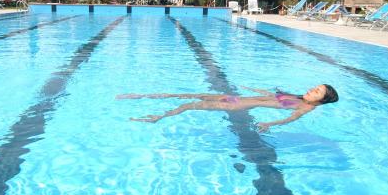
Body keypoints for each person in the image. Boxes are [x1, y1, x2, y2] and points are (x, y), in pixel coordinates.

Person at [116, 84, 339, 132]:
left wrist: (270, 124)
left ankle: (158, 118)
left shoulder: (307, 108)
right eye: (315, 87)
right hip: (236, 98)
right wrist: (251, 88)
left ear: (321, 101)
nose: (311, 90)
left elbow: (291, 119)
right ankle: (141, 92)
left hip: (235, 106)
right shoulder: (296, 96)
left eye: (316, 92)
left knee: (188, 105)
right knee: (190, 94)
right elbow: (270, 96)